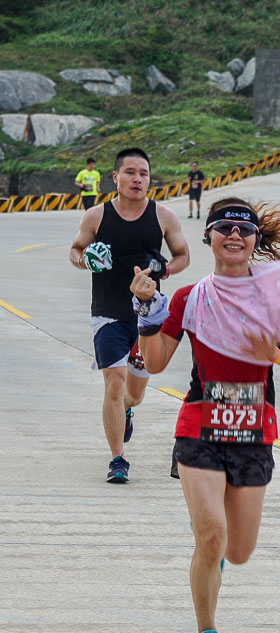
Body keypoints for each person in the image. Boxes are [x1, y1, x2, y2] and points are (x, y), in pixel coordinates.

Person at [130, 196, 280, 633]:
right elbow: (153, 362)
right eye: (224, 228)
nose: (235, 235)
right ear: (209, 236)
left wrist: (274, 354)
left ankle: (214, 565)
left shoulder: (276, 297)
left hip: (254, 428)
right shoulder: (190, 298)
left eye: (244, 229)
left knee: (236, 547)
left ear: (255, 240)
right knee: (210, 535)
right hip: (201, 423)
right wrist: (146, 305)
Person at [69, 147, 190, 483]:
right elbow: (75, 250)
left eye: (144, 174)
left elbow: (183, 256)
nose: (137, 179)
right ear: (115, 178)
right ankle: (117, 459)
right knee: (114, 382)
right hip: (107, 313)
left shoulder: (163, 216)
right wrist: (85, 260)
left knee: (133, 393)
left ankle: (127, 410)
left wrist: (164, 271)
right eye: (130, 173)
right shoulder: (96, 216)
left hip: (147, 317)